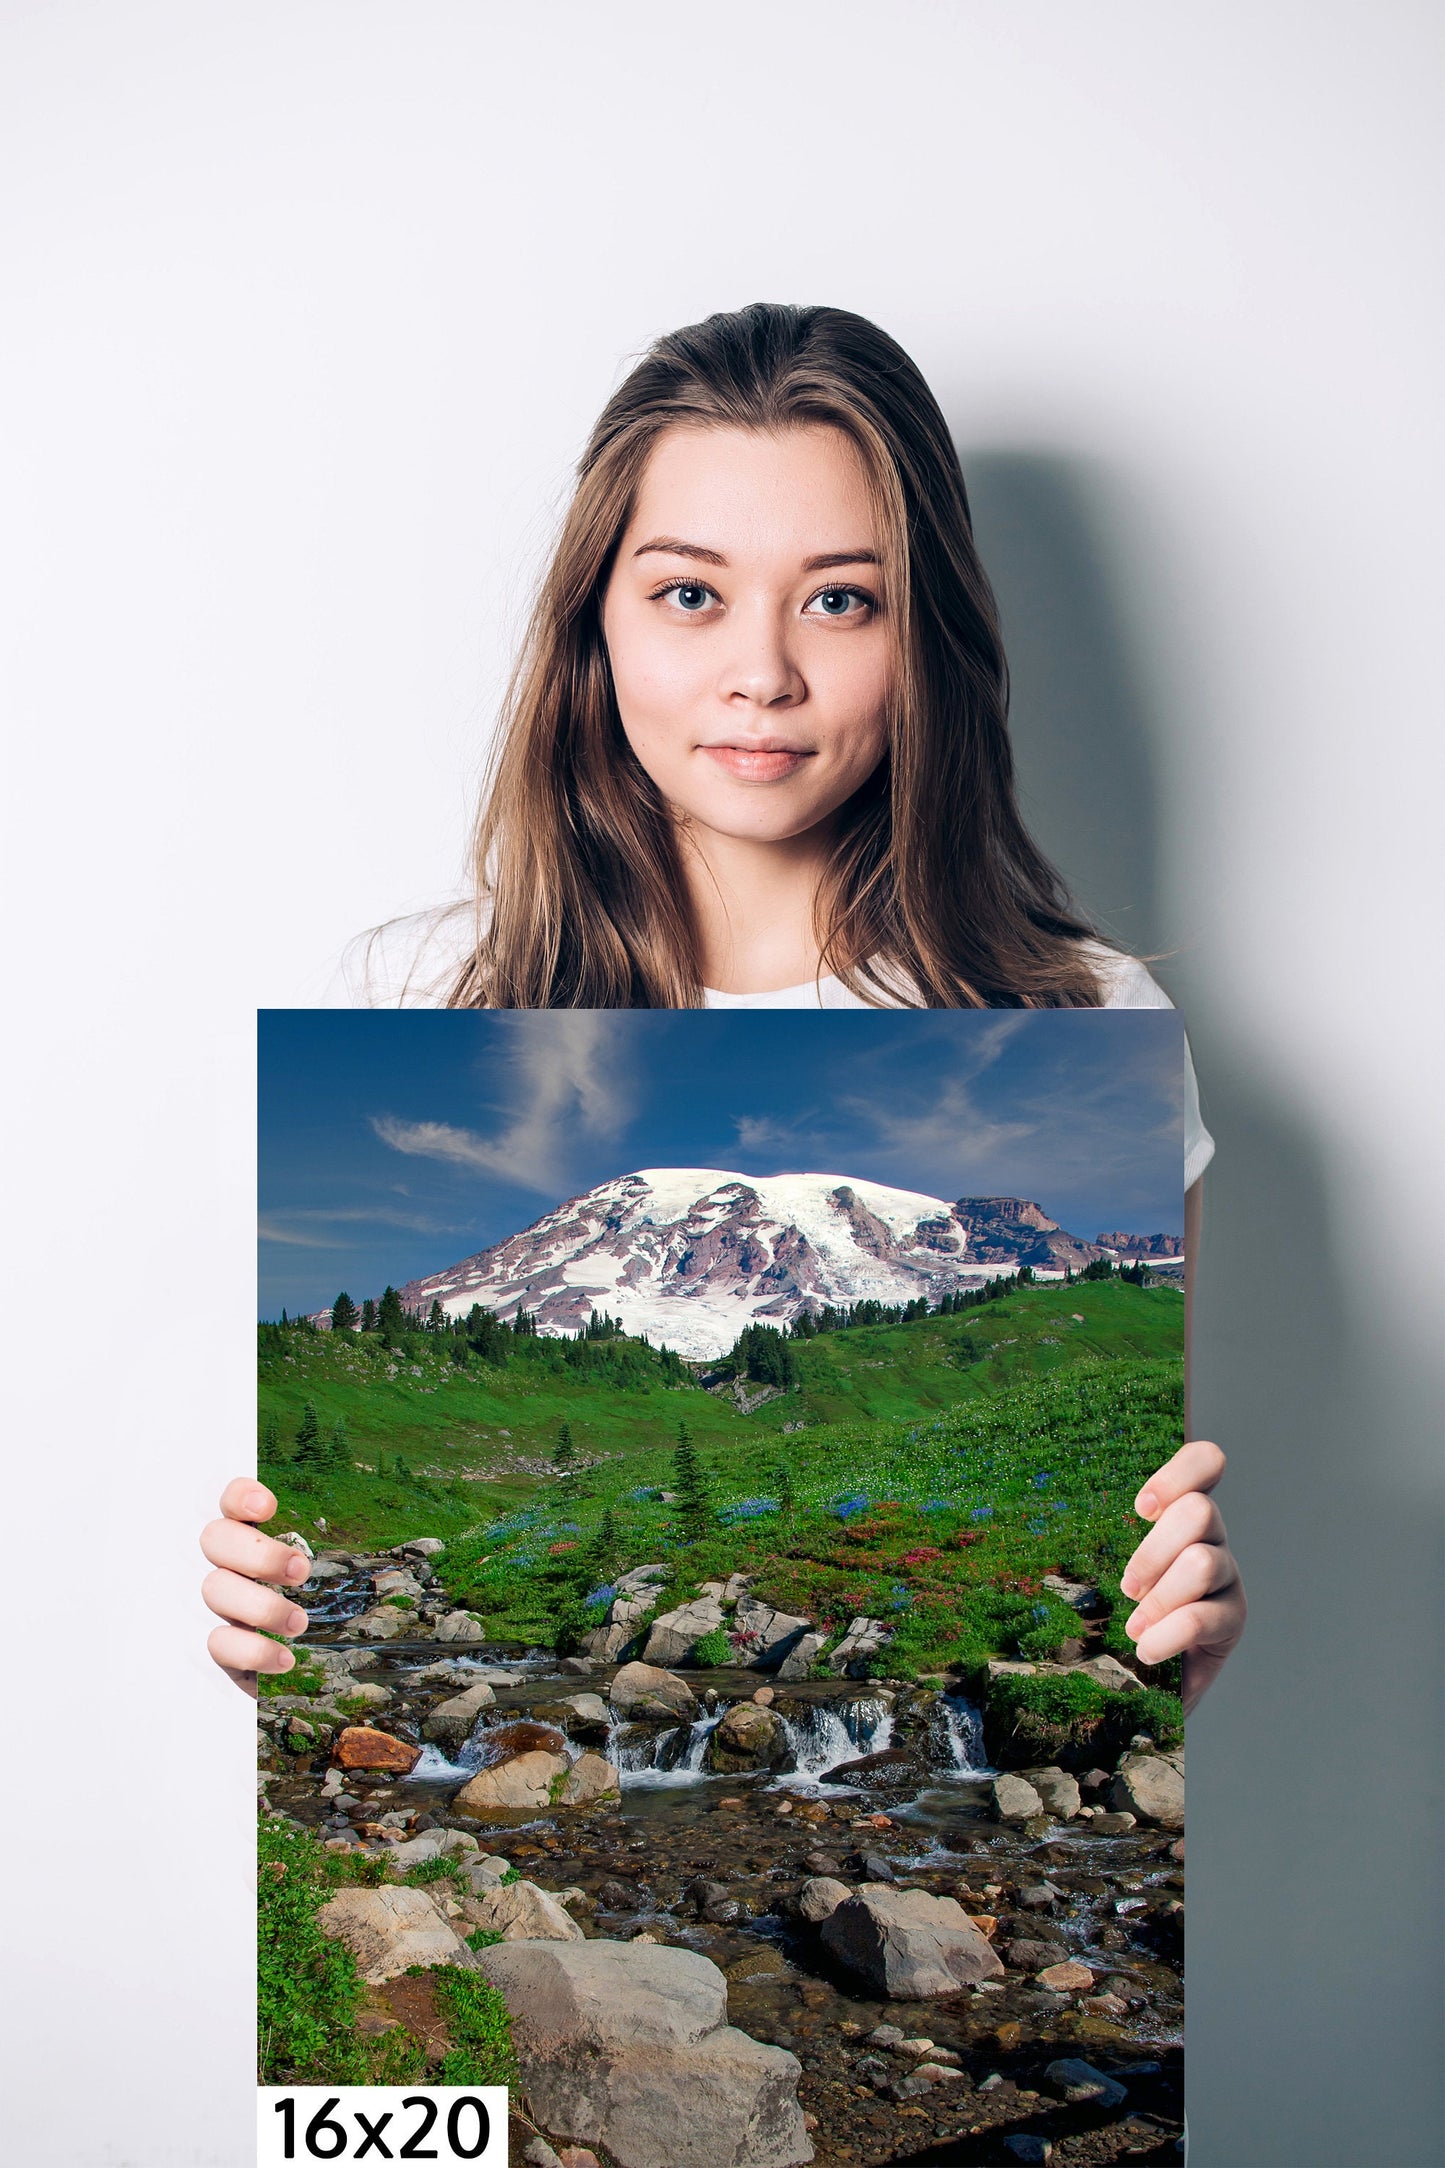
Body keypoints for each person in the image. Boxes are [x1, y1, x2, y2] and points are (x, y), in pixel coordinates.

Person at [204, 303, 1245, 1715]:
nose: (761, 670)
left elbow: (1146, 1597)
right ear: (597, 622)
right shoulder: (417, 992)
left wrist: (1183, 1638)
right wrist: (248, 1607)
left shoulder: (1090, 1011)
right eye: (689, 593)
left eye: (838, 597)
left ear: (923, 633)